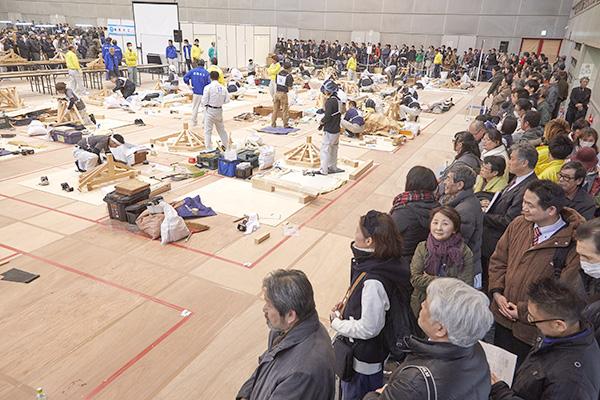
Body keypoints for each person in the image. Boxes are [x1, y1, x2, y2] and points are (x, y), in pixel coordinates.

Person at [489, 179, 583, 365]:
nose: (523, 208)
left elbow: (565, 292)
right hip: (502, 317)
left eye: (530, 205)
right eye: (523, 202)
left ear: (551, 210)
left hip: (532, 330)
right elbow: (498, 260)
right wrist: (497, 292)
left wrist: (523, 311)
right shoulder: (518, 224)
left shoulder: (571, 243)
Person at [364, 278, 494, 400]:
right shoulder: (474, 347)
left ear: (440, 329)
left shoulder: (413, 382)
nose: (422, 304)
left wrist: (378, 394)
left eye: (426, 305)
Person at [330, 211, 410, 400]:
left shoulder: (374, 280)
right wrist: (350, 303)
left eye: (358, 230)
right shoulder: (384, 262)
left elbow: (369, 328)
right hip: (369, 356)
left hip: (363, 364)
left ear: (369, 241)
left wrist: (337, 323)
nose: (354, 234)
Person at [490, 278, 600, 399]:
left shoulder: (570, 382)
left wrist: (501, 393)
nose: (530, 320)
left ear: (559, 325)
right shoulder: (563, 333)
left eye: (533, 318)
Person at [236, 269, 335, 400]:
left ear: (290, 315)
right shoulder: (285, 330)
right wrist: (245, 394)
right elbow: (265, 366)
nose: (264, 309)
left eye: (269, 304)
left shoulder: (301, 374)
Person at [481, 143, 538, 290]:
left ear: (524, 163)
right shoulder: (518, 179)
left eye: (512, 159)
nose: (509, 162)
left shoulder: (528, 187)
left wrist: (483, 216)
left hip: (497, 240)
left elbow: (509, 220)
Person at [410, 206, 474, 316]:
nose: (439, 228)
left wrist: (430, 279)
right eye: (435, 223)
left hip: (450, 308)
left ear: (454, 229)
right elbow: (415, 279)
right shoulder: (422, 247)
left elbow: (464, 286)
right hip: (423, 304)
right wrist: (450, 281)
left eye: (445, 224)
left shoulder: (464, 252)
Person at [442, 166, 484, 288]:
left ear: (460, 185)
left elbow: (457, 246)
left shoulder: (464, 211)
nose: (445, 182)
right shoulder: (465, 202)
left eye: (448, 179)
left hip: (463, 272)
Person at [390, 166, 440, 264]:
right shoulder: (438, 207)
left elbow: (386, 236)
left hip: (402, 261)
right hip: (424, 259)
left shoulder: (403, 212)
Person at [318, 80, 343, 175]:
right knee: (334, 149)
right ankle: (333, 167)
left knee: (325, 150)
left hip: (330, 129)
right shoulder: (338, 100)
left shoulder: (330, 102)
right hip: (336, 128)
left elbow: (327, 117)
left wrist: (321, 121)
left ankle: (323, 170)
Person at [201, 70, 230, 151]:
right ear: (218, 77)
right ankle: (226, 145)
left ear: (210, 77)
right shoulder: (223, 88)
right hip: (219, 110)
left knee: (208, 131)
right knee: (221, 130)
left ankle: (209, 149)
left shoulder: (208, 87)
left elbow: (204, 101)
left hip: (210, 110)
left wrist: (205, 105)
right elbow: (227, 100)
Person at [183, 59, 211, 128]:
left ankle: (194, 122)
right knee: (205, 109)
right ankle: (204, 124)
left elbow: (185, 77)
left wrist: (188, 84)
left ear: (198, 64)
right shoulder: (206, 73)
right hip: (204, 93)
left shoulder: (193, 71)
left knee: (195, 108)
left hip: (195, 92)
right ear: (204, 65)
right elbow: (209, 83)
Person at [272, 62, 293, 128]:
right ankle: (285, 124)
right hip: (283, 94)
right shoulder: (289, 76)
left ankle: (273, 123)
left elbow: (276, 82)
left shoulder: (278, 73)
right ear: (290, 68)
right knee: (285, 110)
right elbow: (289, 88)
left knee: (275, 110)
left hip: (276, 93)